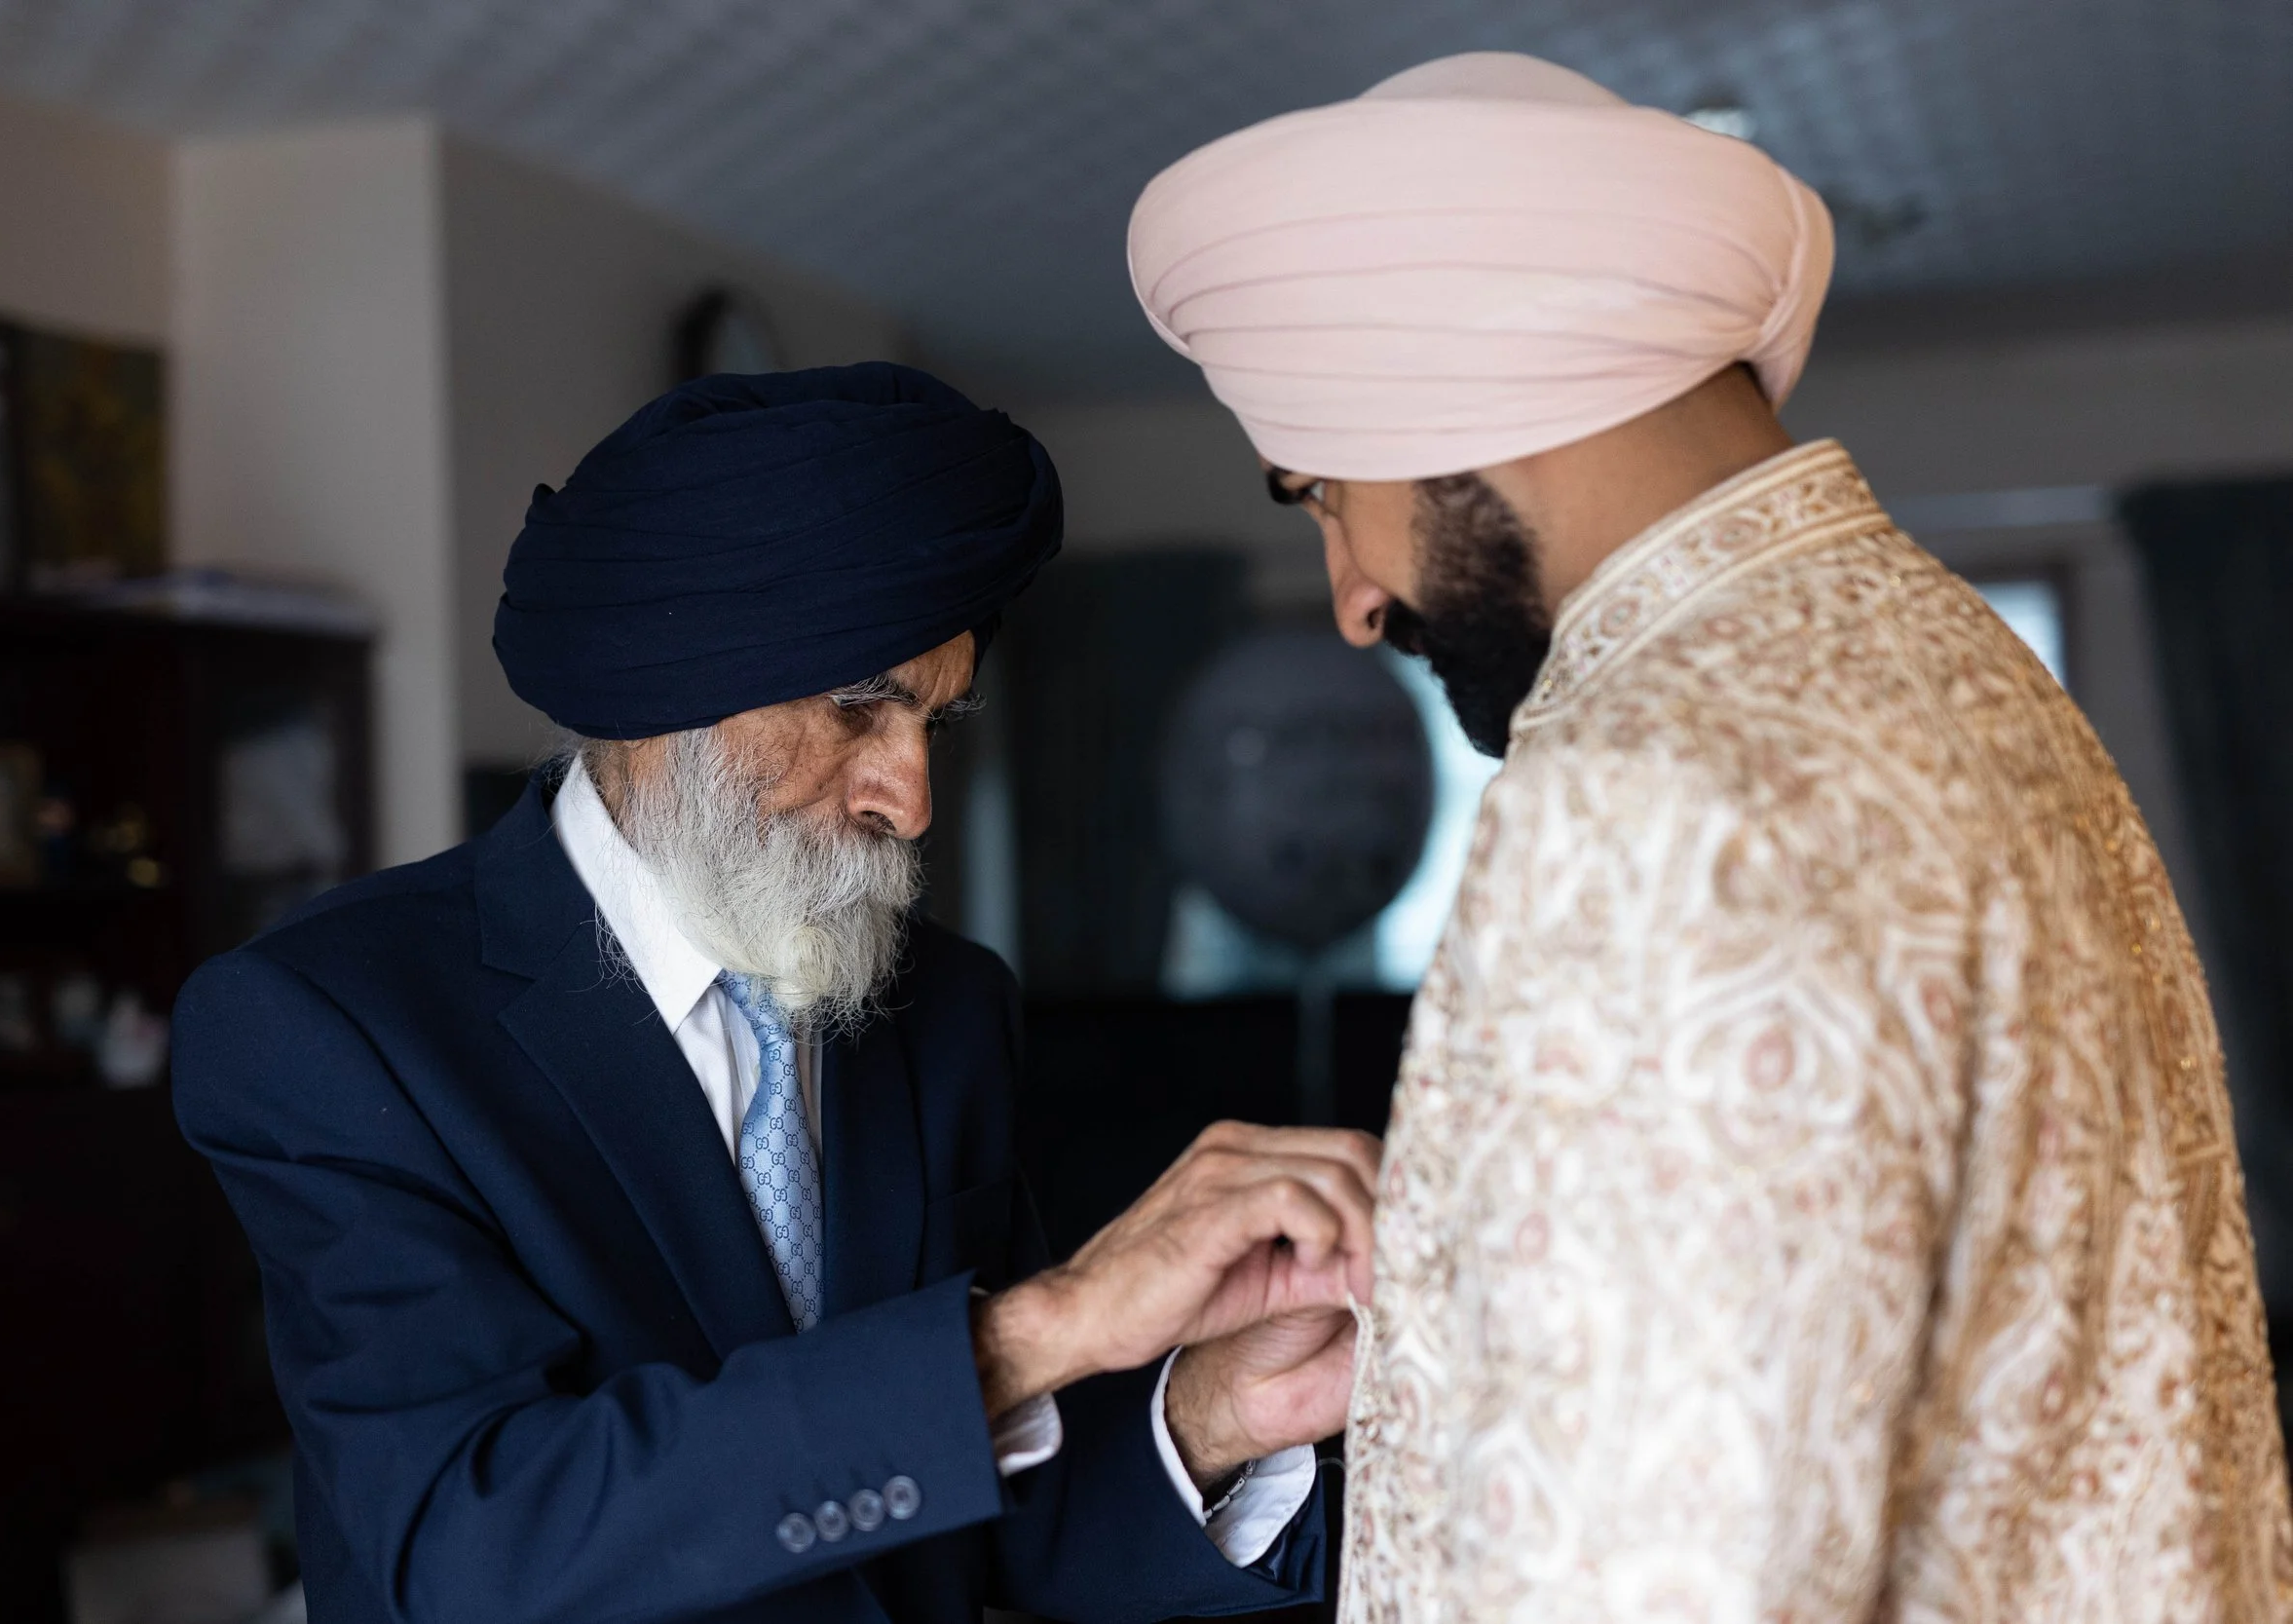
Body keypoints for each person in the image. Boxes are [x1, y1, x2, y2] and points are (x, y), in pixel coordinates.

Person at [1128, 52, 2293, 1623]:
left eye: (1321, 491)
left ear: (1442, 405)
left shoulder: (1652, 785)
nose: (1351, 600)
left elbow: (1652, 1570)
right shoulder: (1976, 678)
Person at [172, 363, 1375, 1624]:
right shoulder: (332, 1023)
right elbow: (468, 1550)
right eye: (862, 710)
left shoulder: (948, 1007)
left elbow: (983, 1513)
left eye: (937, 726)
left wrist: (1220, 1410)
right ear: (663, 697)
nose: (908, 799)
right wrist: (1040, 1329)